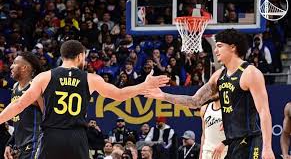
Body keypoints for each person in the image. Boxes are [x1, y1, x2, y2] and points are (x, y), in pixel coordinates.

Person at [0, 40, 169, 159]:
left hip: (51, 136)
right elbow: (119, 94)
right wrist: (143, 86)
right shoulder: (90, 78)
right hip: (76, 137)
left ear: (63, 56)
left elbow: (19, 104)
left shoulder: (44, 77)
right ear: (80, 56)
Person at [144, 29, 275, 159]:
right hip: (231, 142)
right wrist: (163, 96)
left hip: (250, 140)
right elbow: (195, 101)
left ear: (233, 47)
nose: (216, 50)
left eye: (219, 46)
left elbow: (264, 112)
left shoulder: (250, 73)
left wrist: (267, 148)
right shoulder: (218, 76)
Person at [4, 52, 43, 159]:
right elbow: (18, 123)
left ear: (24, 67)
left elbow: (49, 117)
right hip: (20, 147)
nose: (11, 66)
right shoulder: (15, 87)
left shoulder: (36, 87)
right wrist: (10, 144)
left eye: (15, 63)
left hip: (35, 145)